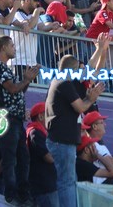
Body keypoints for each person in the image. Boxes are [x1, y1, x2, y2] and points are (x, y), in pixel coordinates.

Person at [45, 54, 104, 207]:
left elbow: (90, 71)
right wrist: (91, 98)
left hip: (63, 141)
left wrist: (99, 50)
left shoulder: (61, 81)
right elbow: (80, 107)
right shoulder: (63, 83)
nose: (81, 72)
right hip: (62, 141)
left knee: (69, 181)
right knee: (67, 182)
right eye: (79, 68)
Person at [0, 35, 40, 205]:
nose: (14, 48)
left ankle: (22, 192)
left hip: (15, 120)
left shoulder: (4, 68)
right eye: (12, 45)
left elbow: (17, 92)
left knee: (22, 158)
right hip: (7, 119)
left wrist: (27, 80)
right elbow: (11, 89)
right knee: (10, 157)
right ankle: (11, 194)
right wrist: (25, 79)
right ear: (3, 47)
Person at [26, 102, 59, 207]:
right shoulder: (35, 133)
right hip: (44, 186)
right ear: (40, 116)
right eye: (48, 114)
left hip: (47, 185)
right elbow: (49, 158)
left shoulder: (41, 132)